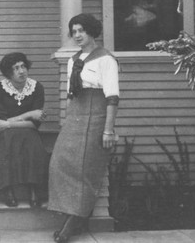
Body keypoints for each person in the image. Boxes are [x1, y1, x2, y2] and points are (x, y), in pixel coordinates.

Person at [48, 14, 120, 243]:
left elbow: (112, 98)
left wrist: (108, 131)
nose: (77, 36)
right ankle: (72, 216)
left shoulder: (105, 59)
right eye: (74, 31)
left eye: (82, 31)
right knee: (59, 164)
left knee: (84, 171)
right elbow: (72, 95)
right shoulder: (73, 60)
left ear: (92, 32)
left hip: (96, 117)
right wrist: (69, 120)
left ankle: (72, 225)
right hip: (76, 118)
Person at [0, 52, 49, 208]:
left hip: (25, 130)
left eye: (23, 66)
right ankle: (9, 190)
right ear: (8, 73)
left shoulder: (36, 88)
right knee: (8, 141)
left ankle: (34, 190)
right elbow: (0, 121)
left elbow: (35, 124)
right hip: (2, 131)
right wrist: (29, 114)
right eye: (16, 68)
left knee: (32, 141)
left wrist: (11, 123)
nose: (21, 71)